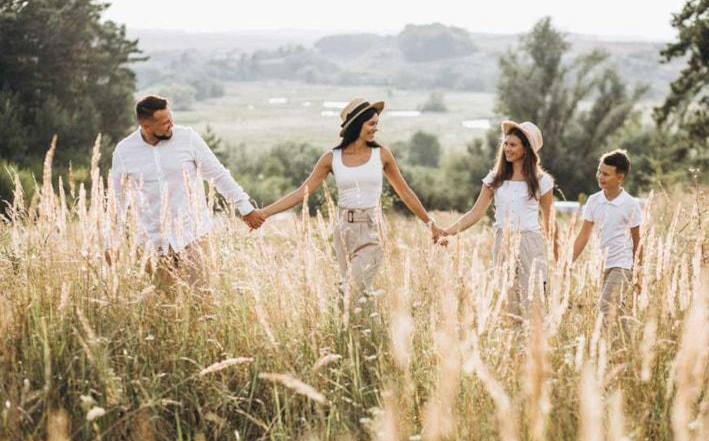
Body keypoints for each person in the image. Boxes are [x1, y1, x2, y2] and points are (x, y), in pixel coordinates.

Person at [258, 98, 444, 301]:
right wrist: (264, 213)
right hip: (343, 231)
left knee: (351, 293)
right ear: (357, 125)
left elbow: (405, 192)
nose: (376, 129)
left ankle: (356, 327)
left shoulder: (382, 155)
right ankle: (364, 331)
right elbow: (302, 192)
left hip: (372, 229)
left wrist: (430, 223)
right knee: (355, 295)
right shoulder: (332, 158)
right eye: (371, 124)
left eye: (377, 124)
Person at [110, 95, 264, 288]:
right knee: (166, 307)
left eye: (171, 118)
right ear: (146, 126)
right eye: (165, 122)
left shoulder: (188, 138)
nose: (171, 125)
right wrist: (112, 242)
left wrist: (245, 208)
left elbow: (218, 174)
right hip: (152, 242)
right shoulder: (124, 152)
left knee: (202, 300)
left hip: (193, 234)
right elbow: (118, 200)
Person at [442, 120, 556, 317]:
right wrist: (446, 232)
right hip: (502, 240)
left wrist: (559, 257)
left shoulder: (542, 181)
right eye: (506, 143)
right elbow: (475, 213)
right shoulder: (495, 178)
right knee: (508, 303)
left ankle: (533, 345)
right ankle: (514, 345)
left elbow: (550, 222)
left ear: (526, 149)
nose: (507, 149)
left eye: (513, 145)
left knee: (533, 303)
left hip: (530, 241)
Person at [572, 149, 643, 327]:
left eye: (606, 174)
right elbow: (584, 235)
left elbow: (638, 241)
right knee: (617, 313)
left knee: (606, 306)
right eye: (599, 172)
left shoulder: (630, 204)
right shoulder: (593, 201)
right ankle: (622, 351)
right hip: (602, 264)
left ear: (620, 177)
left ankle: (613, 350)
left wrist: (638, 272)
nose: (600, 177)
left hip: (623, 264)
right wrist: (568, 261)